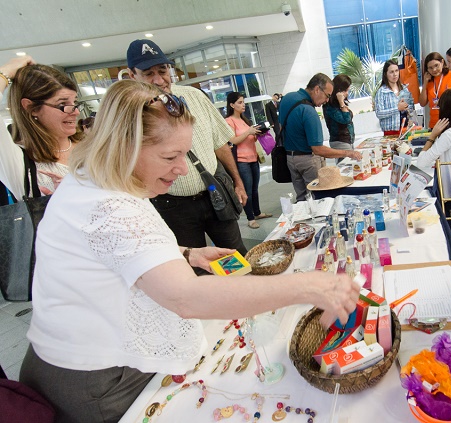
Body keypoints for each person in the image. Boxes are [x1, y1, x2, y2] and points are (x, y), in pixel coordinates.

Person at [18, 79, 361, 423]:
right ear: (125, 147)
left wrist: (186, 254)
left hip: (77, 360)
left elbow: (107, 249)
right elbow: (187, 298)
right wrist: (311, 286)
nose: (183, 168)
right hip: (95, 382)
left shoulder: (96, 177)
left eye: (185, 153)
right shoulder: (110, 207)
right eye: (170, 156)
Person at [126, 39, 248, 255]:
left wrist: (238, 182)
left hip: (213, 193)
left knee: (235, 253)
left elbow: (220, 144)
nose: (158, 79)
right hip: (172, 206)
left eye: (162, 70)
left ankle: (245, 288)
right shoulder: (131, 116)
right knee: (195, 263)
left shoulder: (194, 96)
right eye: (148, 73)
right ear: (132, 76)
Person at [1, 57, 85, 197]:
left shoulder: (93, 146)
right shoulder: (20, 164)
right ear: (31, 108)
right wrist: (5, 72)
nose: (75, 111)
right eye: (63, 104)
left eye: (74, 102)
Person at [279, 73, 361, 201]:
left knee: (301, 198)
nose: (327, 100)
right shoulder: (309, 111)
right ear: (317, 89)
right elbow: (318, 149)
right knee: (318, 198)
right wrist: (347, 152)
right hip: (308, 161)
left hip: (290, 158)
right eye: (327, 95)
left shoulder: (287, 98)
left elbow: (280, 126)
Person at [224, 91, 272, 229]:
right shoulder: (229, 121)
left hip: (253, 158)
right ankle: (250, 218)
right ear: (232, 105)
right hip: (241, 160)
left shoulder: (245, 120)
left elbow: (249, 138)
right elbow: (233, 140)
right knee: (247, 191)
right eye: (239, 102)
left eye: (243, 102)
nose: (243, 105)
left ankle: (257, 212)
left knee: (255, 189)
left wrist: (257, 133)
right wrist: (248, 132)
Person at [374, 59, 416, 135]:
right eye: (391, 72)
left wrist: (407, 107)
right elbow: (379, 113)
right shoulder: (382, 92)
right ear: (385, 74)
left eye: (396, 71)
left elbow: (411, 107)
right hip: (391, 131)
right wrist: (397, 109)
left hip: (406, 128)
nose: (395, 74)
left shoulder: (404, 89)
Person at [323, 74, 355, 163]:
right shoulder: (329, 106)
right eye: (346, 90)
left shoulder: (337, 105)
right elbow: (346, 119)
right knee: (345, 168)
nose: (347, 94)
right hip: (340, 142)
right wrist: (341, 102)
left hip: (347, 141)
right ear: (339, 91)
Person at [419, 52, 451, 130]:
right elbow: (422, 103)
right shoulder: (429, 80)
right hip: (434, 124)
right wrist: (425, 83)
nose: (434, 70)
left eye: (436, 65)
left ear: (442, 62)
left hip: (450, 123)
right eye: (430, 68)